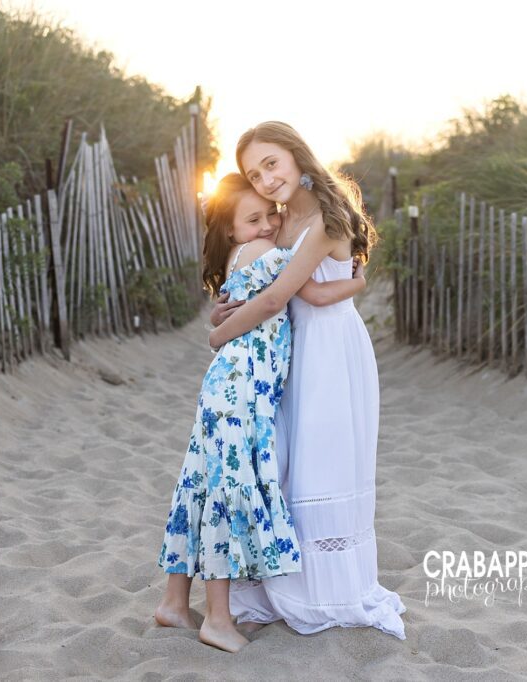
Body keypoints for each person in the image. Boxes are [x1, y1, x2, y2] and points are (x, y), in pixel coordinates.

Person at [208, 122, 406, 640]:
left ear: (296, 156)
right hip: (293, 347)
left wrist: (218, 337)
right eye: (255, 172)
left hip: (331, 349)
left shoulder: (324, 217)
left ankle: (326, 590)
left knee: (324, 460)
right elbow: (276, 287)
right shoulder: (279, 218)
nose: (266, 179)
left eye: (272, 163)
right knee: (290, 460)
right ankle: (285, 580)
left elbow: (286, 298)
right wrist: (225, 308)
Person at [154, 173, 367, 653]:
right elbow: (308, 294)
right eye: (253, 219)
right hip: (242, 388)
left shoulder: (243, 256)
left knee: (201, 484)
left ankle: (173, 601)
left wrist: (217, 325)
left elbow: (230, 306)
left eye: (270, 214)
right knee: (230, 491)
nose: (268, 224)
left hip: (229, 386)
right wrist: (357, 280)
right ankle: (218, 619)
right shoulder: (265, 256)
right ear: (231, 231)